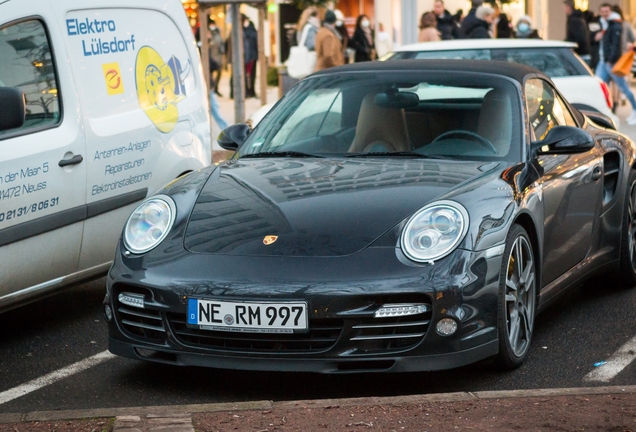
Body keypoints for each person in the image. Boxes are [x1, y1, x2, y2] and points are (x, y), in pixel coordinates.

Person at [595, 3, 636, 124]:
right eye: (602, 12)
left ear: (611, 12)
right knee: (600, 86)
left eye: (607, 11)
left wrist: (611, 60)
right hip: (604, 61)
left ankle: (634, 109)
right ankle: (605, 113)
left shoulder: (616, 24)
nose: (604, 14)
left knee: (622, 87)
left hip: (613, 61)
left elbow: (617, 45)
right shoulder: (604, 23)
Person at [208, 18, 225, 97]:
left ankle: (215, 88)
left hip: (218, 57)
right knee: (210, 74)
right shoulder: (207, 33)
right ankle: (212, 88)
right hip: (209, 57)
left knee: (219, 72)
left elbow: (221, 44)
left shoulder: (218, 34)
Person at [242, 15, 258, 99]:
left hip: (252, 56)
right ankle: (246, 91)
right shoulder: (240, 30)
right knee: (244, 75)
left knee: (252, 75)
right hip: (243, 56)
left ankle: (251, 90)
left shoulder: (252, 29)